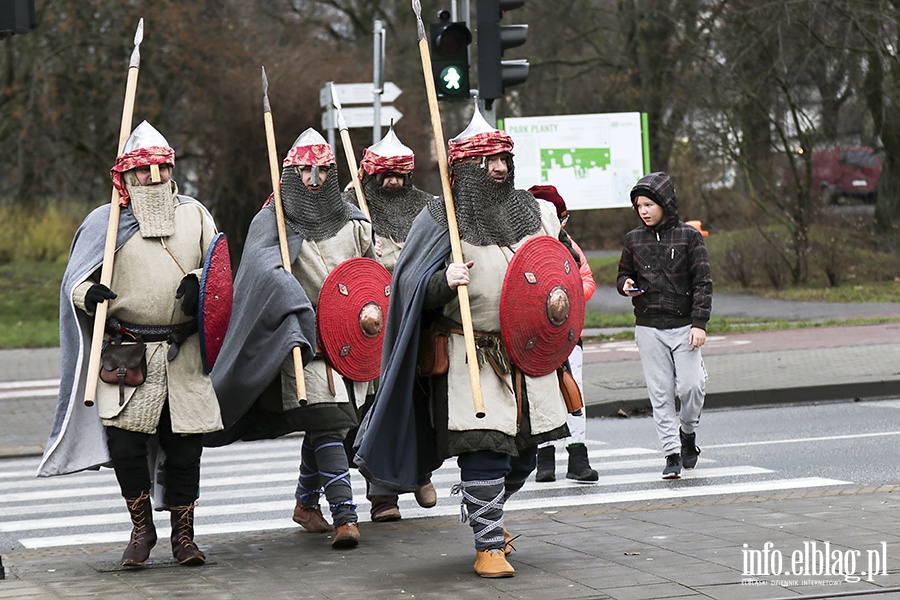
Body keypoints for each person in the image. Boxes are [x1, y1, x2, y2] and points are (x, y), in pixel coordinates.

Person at [355, 108, 570, 578]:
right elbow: (409, 284)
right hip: (469, 352)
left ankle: (482, 513)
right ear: (465, 168)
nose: (498, 168)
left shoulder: (534, 213)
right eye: (487, 160)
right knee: (484, 449)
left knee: (527, 454)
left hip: (528, 354)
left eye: (503, 159)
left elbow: (561, 269)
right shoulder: (440, 218)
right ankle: (488, 544)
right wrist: (440, 281)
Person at [37, 121, 223, 567]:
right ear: (126, 174)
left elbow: (219, 271)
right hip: (127, 353)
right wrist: (88, 294)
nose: (154, 177)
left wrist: (199, 285)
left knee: (185, 449)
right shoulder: (106, 221)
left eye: (161, 167)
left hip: (184, 352)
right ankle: (142, 531)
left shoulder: (194, 213)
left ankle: (184, 537)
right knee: (124, 445)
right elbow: (75, 283)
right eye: (144, 170)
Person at [209, 128, 374, 549]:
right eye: (304, 170)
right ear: (289, 173)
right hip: (306, 340)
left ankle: (305, 503)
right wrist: (283, 287)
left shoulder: (354, 221)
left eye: (322, 170)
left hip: (350, 342)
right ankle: (346, 518)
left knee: (333, 427)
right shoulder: (273, 221)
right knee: (329, 421)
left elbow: (370, 277)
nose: (314, 179)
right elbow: (258, 274)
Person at [341, 126, 437, 522]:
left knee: (420, 402)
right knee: (374, 406)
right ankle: (382, 494)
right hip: (369, 324)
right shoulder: (352, 207)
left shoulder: (428, 207)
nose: (394, 181)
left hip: (417, 317)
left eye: (400, 174)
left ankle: (421, 473)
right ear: (371, 174)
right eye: (387, 175)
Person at [616, 172, 712, 479]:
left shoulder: (688, 236)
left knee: (691, 386)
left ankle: (688, 433)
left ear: (665, 203)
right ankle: (671, 453)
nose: (643, 210)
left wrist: (699, 323)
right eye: (638, 206)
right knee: (659, 392)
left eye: (649, 204)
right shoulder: (633, 239)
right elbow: (621, 275)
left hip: (684, 326)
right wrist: (625, 284)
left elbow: (703, 282)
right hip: (648, 327)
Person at [527, 185, 599, 483]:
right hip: (535, 334)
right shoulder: (523, 246)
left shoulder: (568, 244)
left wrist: (568, 300)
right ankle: (544, 459)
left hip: (568, 333)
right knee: (541, 395)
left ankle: (578, 456)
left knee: (574, 392)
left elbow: (587, 278)